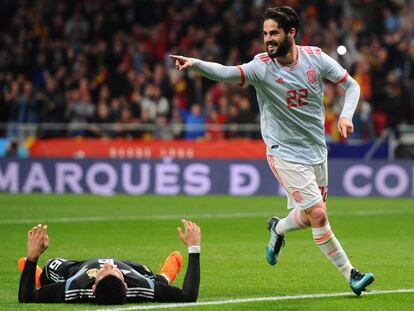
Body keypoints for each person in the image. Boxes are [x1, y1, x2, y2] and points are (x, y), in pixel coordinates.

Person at [170, 6, 374, 296]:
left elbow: (351, 86)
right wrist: (195, 63)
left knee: (307, 218)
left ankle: (278, 228)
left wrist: (346, 115)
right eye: (265, 33)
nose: (268, 39)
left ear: (291, 33)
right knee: (318, 214)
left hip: (317, 151)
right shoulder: (261, 66)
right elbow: (228, 73)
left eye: (274, 33)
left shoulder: (315, 59)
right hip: (284, 152)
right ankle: (352, 275)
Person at [18, 220, 201, 304]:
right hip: (131, 268)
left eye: (103, 272)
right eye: (113, 271)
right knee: (155, 279)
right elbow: (188, 296)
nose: (108, 266)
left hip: (76, 269)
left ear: (93, 288)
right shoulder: (140, 286)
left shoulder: (75, 287)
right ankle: (166, 275)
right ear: (126, 286)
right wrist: (194, 248)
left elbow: (27, 297)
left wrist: (33, 257)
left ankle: (35, 272)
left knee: (50, 269)